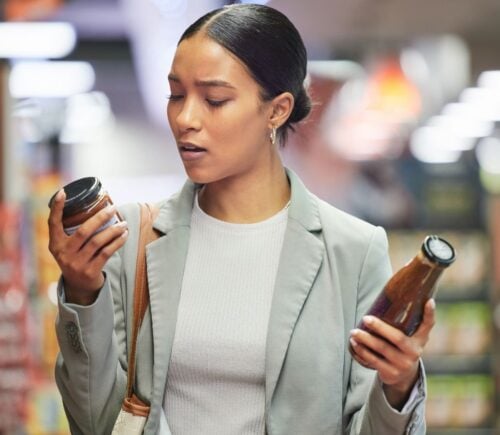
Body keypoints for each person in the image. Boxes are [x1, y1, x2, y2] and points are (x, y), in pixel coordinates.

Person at [48, 4, 433, 434]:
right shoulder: (131, 239)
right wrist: (82, 295)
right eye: (176, 95)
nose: (185, 119)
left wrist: (398, 385)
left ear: (277, 110)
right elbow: (95, 423)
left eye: (215, 100)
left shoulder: (354, 251)